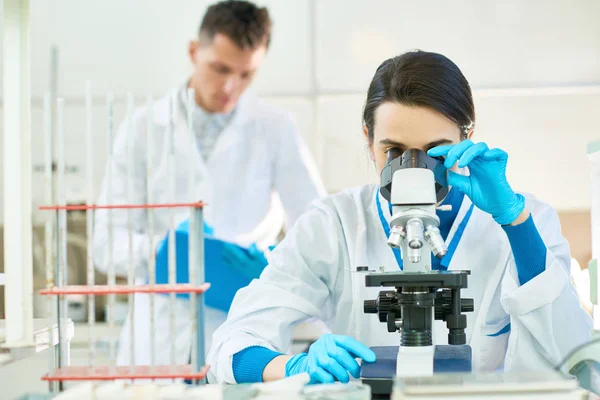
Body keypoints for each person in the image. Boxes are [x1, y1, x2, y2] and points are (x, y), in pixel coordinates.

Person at [206, 50, 593, 384]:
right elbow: (230, 347)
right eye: (393, 152)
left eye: (435, 151)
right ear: (367, 138)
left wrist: (514, 221)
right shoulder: (334, 224)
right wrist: (292, 365)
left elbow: (575, 355)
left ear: (467, 136)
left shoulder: (527, 218)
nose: (413, 169)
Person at [93, 0, 326, 368]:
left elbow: (317, 233)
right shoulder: (142, 129)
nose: (230, 86)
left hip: (246, 329)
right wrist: (170, 252)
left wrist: (271, 267)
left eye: (246, 74)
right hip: (158, 340)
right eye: (219, 69)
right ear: (192, 52)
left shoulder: (275, 128)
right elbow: (105, 245)